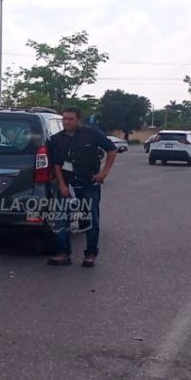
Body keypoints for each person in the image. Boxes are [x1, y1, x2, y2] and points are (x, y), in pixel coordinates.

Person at [47, 107, 117, 268]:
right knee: (60, 219)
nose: (66, 122)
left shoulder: (92, 134)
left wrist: (104, 172)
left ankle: (90, 254)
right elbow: (56, 164)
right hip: (67, 184)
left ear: (79, 120)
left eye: (70, 119)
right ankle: (64, 254)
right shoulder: (56, 139)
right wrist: (62, 185)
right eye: (64, 119)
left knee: (90, 219)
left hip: (88, 183)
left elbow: (112, 150)